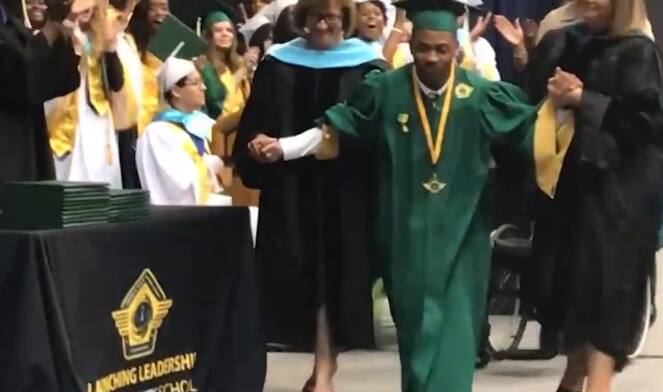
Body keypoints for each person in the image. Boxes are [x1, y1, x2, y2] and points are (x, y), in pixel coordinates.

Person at [251, 0, 574, 390]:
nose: (431, 58)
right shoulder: (386, 89)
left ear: (456, 47)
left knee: (453, 340)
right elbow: (340, 127)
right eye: (422, 47)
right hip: (403, 237)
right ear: (411, 45)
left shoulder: (480, 95)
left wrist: (559, 108)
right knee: (418, 340)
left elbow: (529, 132)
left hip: (462, 239)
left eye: (441, 49)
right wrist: (284, 147)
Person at [233, 0, 386, 389]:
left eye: (332, 17)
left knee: (333, 279)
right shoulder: (278, 62)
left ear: (344, 21)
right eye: (316, 16)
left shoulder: (367, 66)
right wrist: (256, 145)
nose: (324, 24)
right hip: (290, 190)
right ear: (302, 20)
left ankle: (324, 369)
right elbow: (255, 119)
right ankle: (320, 365)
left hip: (346, 190)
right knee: (301, 275)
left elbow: (370, 128)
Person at [520, 1, 663, 391]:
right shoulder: (568, 42)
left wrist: (585, 99)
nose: (586, 6)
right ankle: (571, 380)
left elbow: (648, 123)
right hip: (573, 190)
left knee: (607, 295)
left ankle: (597, 385)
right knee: (572, 292)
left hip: (620, 196)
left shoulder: (638, 51)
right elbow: (531, 96)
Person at [47, 0, 138, 188]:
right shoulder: (55, 34)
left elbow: (117, 85)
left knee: (98, 183)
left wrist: (110, 48)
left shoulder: (109, 38)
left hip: (98, 123)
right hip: (63, 121)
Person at [0, 0, 80, 182]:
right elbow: (16, 75)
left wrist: (61, 30)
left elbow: (52, 81)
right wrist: (50, 30)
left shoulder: (13, 23)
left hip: (26, 150)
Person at [136, 56, 230, 206]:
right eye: (196, 83)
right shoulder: (159, 132)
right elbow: (177, 184)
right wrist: (212, 163)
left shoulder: (200, 124)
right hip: (179, 214)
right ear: (176, 91)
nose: (204, 87)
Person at [197, 10, 258, 205]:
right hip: (217, 137)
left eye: (229, 30)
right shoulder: (203, 66)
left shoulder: (237, 64)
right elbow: (216, 102)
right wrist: (241, 73)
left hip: (240, 133)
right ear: (207, 35)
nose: (225, 34)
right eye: (218, 30)